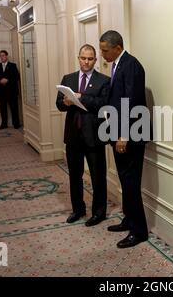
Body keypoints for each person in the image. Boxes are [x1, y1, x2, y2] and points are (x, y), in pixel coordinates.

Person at [99, 30, 150, 249]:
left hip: (130, 136)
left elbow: (133, 102)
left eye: (105, 50)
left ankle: (139, 231)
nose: (103, 54)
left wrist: (124, 134)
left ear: (117, 47)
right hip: (120, 132)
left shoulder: (131, 65)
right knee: (125, 181)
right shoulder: (118, 63)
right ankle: (129, 220)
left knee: (131, 183)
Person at [56, 44, 110, 227]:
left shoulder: (104, 80)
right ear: (78, 58)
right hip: (73, 136)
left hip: (94, 136)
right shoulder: (68, 78)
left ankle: (99, 213)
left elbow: (103, 104)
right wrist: (65, 101)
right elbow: (59, 104)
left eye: (90, 58)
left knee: (98, 176)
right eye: (83, 58)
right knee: (74, 176)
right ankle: (78, 209)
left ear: (95, 60)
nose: (86, 61)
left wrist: (81, 97)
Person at [0, 50, 21, 129]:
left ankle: (16, 124)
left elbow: (17, 77)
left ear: (6, 56)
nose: (2, 57)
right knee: (3, 109)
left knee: (14, 108)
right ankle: (4, 124)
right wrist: (0, 80)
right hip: (1, 92)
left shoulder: (13, 65)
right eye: (0, 56)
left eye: (3, 55)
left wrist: (7, 80)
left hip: (12, 91)